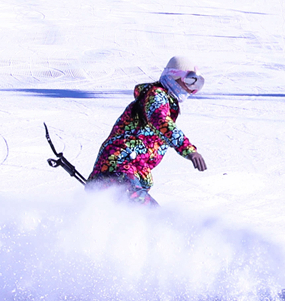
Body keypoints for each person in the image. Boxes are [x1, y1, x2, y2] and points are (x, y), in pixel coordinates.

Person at [85, 56, 208, 206]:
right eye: (190, 81)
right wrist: (188, 150)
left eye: (197, 84)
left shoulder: (166, 102)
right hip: (118, 169)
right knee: (151, 214)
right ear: (173, 76)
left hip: (128, 173)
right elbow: (162, 122)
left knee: (131, 222)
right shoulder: (156, 96)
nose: (191, 89)